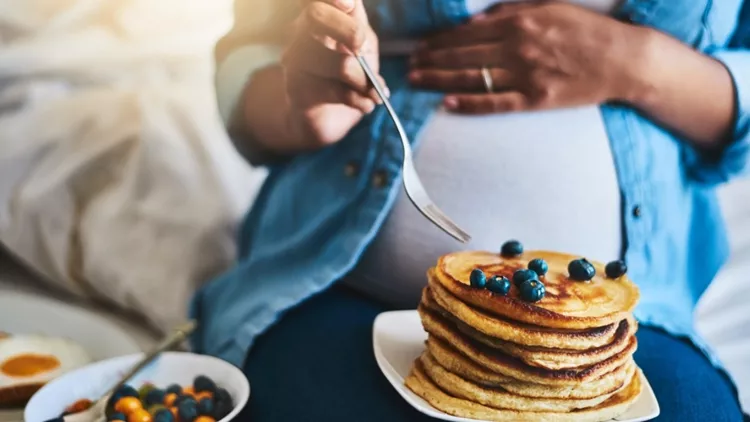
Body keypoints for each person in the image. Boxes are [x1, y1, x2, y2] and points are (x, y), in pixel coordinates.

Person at [194, 0, 750, 420]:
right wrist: (300, 105)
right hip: (337, 283)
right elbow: (251, 52)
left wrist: (642, 65)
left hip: (621, 333)